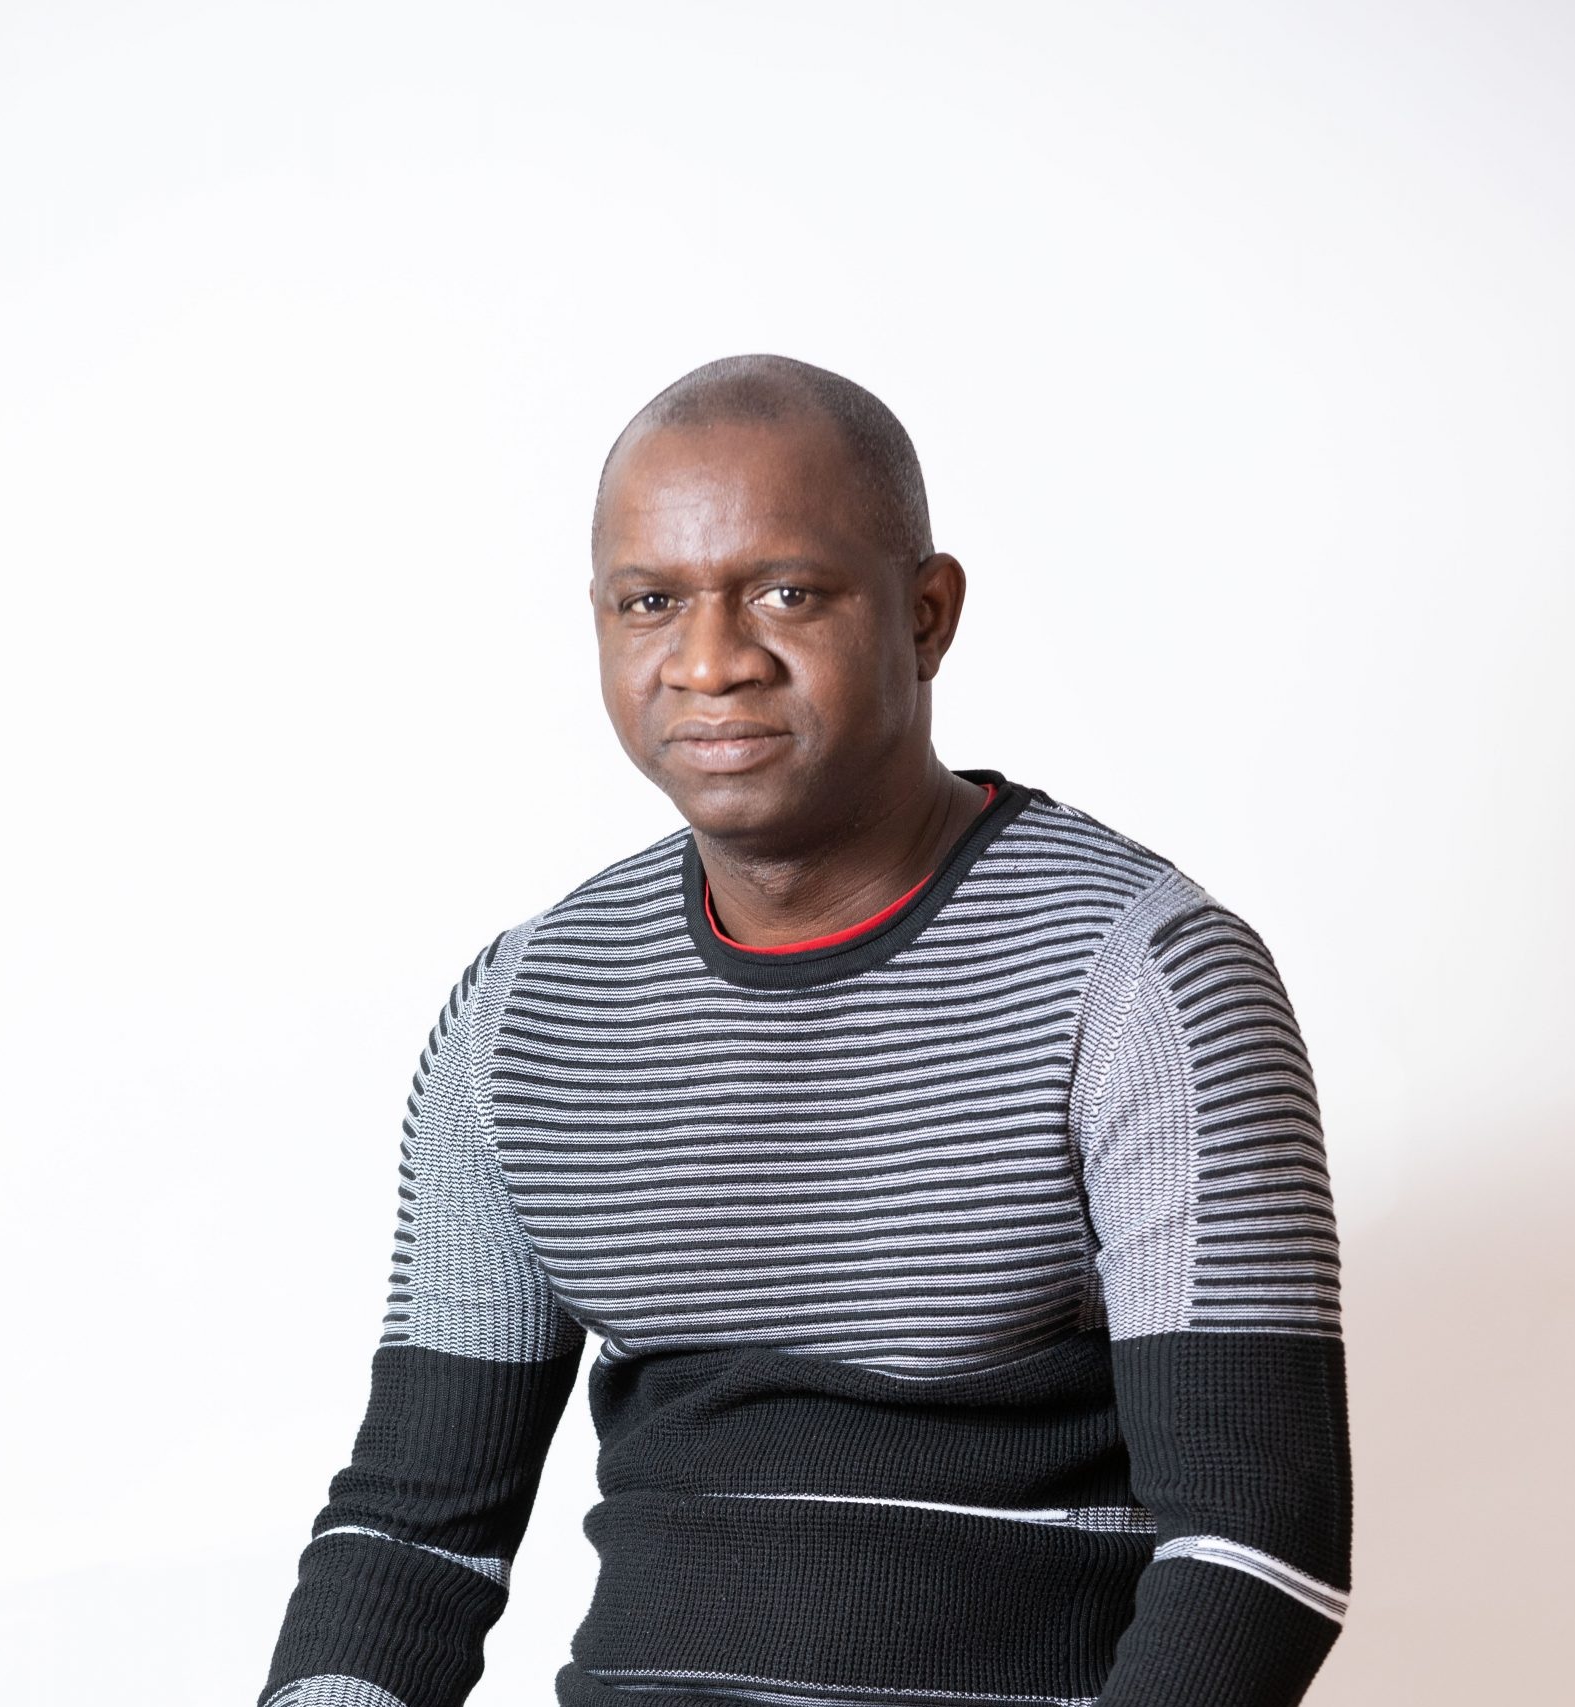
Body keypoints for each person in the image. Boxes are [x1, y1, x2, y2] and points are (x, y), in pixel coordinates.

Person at [256, 354, 1352, 1707]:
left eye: (786, 592)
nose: (710, 661)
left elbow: (1255, 1547)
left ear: (927, 616)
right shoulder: (525, 1011)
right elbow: (412, 1535)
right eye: (650, 602)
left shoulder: (1139, 983)